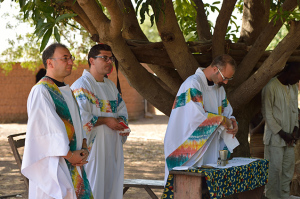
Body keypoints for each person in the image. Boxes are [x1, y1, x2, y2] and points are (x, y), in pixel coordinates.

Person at [21, 43, 93, 198]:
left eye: (70, 58)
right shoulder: (42, 91)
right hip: (55, 167)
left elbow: (78, 124)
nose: (71, 62)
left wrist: (84, 147)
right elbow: (47, 131)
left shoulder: (67, 90)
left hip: (73, 162)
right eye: (65, 58)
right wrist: (70, 156)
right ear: (50, 62)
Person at [164, 54, 239, 183]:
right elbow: (196, 118)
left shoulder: (219, 89)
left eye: (229, 79)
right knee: (185, 189)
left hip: (209, 147)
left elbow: (227, 112)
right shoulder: (193, 84)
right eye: (225, 78)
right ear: (215, 69)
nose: (226, 82)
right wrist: (222, 120)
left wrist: (232, 121)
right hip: (187, 147)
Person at [71, 44, 129, 199]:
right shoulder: (81, 86)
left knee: (111, 186)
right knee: (94, 187)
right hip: (93, 147)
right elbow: (81, 118)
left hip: (112, 145)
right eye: (105, 58)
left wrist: (121, 123)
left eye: (111, 58)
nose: (109, 61)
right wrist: (105, 121)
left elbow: (122, 110)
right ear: (92, 60)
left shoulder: (110, 85)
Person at [262, 62, 300, 199]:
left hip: (290, 139)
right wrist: (283, 134)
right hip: (275, 139)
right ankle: (271, 197)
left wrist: (295, 130)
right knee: (274, 171)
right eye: (298, 76)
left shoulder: (293, 87)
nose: (298, 80)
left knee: (287, 171)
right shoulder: (271, 87)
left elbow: (295, 110)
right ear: (290, 73)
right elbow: (267, 114)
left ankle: (285, 196)